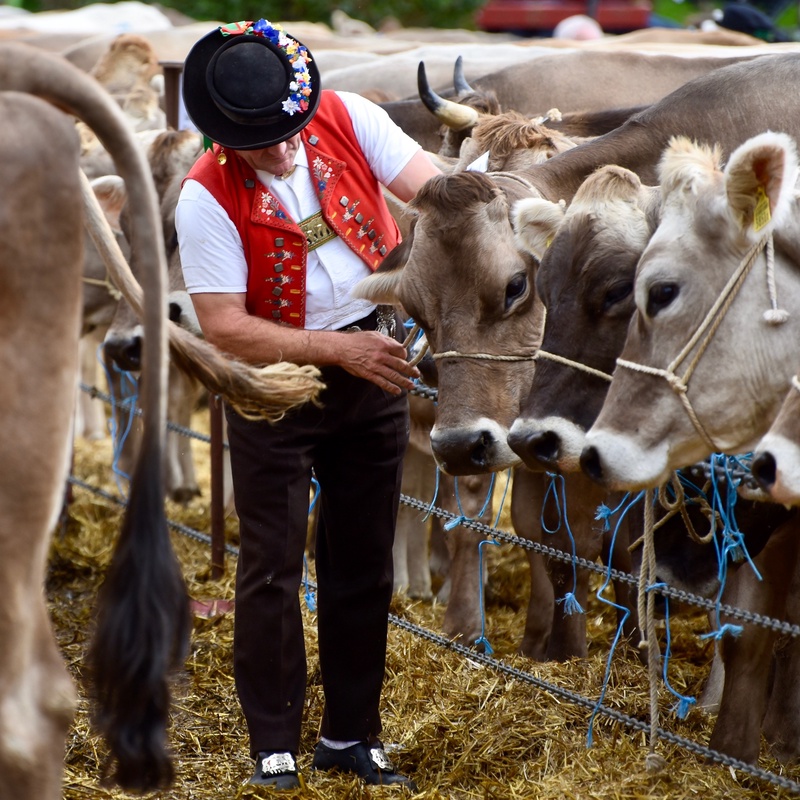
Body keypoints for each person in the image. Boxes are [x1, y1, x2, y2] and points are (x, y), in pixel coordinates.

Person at [176, 18, 442, 791]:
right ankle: (274, 742)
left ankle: (352, 737)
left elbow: (438, 192)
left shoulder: (352, 117)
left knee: (363, 562)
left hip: (373, 363)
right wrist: (339, 351)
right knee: (270, 567)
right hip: (273, 389)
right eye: (263, 141)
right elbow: (226, 325)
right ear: (227, 137)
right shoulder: (205, 195)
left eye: (292, 129)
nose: (285, 147)